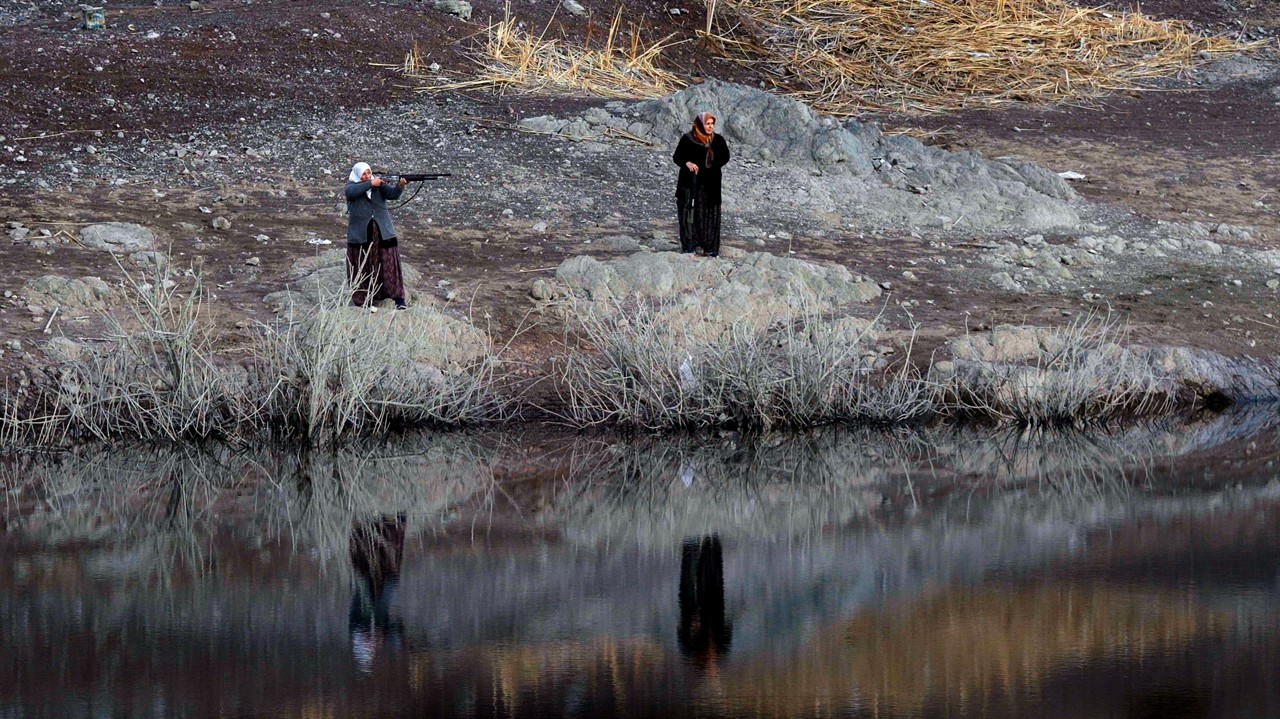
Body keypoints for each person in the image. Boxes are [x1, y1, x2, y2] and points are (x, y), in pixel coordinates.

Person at [344, 162, 409, 309]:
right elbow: (351, 193)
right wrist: (371, 183)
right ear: (358, 175)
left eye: (369, 173)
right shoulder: (351, 186)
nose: (367, 176)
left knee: (388, 265)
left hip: (383, 233)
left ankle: (398, 298)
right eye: (364, 174)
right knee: (362, 266)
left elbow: (393, 195)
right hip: (361, 235)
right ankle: (364, 299)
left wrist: (400, 185)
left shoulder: (379, 185)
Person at [672, 112, 731, 258]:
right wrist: (688, 163)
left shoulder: (718, 140)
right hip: (691, 183)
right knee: (689, 213)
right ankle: (689, 246)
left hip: (711, 184)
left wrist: (711, 166)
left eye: (712, 124)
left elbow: (725, 157)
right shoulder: (688, 139)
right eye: (707, 123)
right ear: (699, 125)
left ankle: (709, 247)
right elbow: (677, 156)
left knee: (710, 214)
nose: (710, 127)